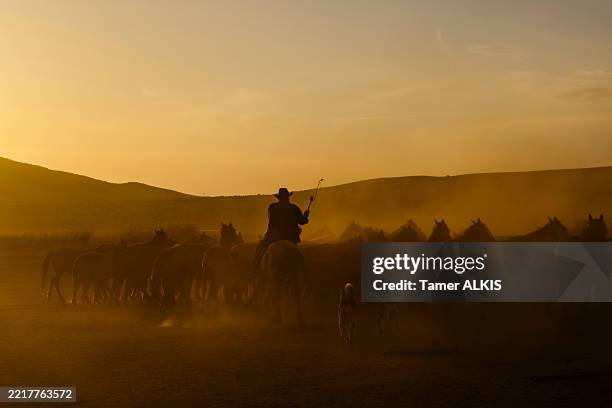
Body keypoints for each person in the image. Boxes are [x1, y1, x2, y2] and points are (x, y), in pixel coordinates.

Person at [253, 187, 309, 271]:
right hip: (291, 238)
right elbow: (302, 221)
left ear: (279, 198)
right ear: (288, 197)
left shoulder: (272, 207)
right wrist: (305, 215)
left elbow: (271, 219)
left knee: (259, 249)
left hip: (274, 238)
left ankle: (254, 272)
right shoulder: (294, 208)